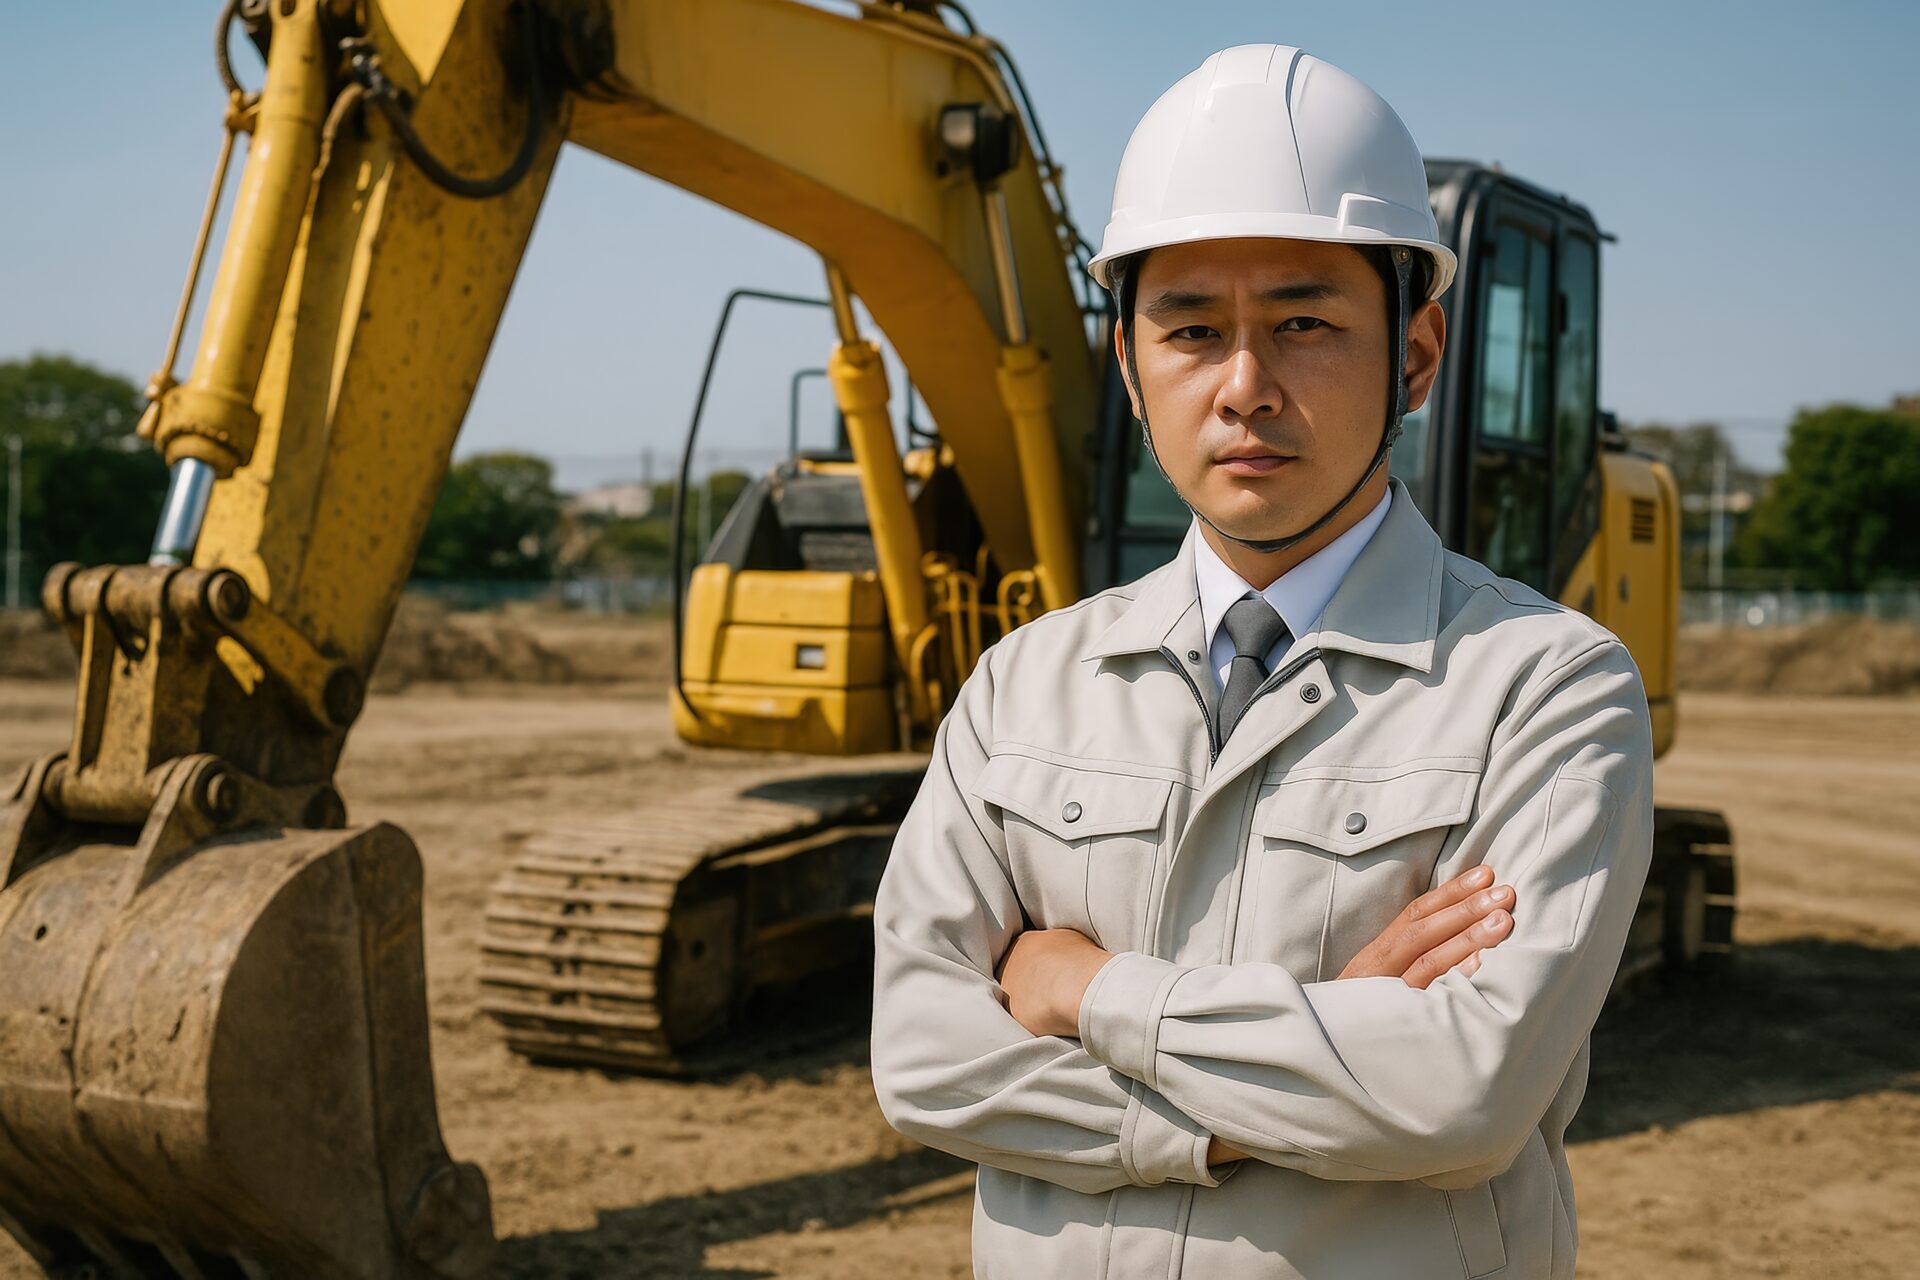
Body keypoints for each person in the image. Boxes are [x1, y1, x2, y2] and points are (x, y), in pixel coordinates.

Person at [870, 43, 1652, 1280]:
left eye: (1304, 322)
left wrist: (1087, 991)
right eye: (1190, 329)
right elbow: (923, 1061)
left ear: (1416, 353)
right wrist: (1306, 1066)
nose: (1245, 387)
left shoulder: (1546, 688)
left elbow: (1460, 1092)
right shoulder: (1022, 687)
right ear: (1127, 365)